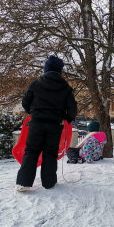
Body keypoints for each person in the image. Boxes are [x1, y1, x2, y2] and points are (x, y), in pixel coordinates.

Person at [16, 56, 77, 191]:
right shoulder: (66, 88)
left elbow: (25, 102)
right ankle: (49, 183)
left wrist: (33, 112)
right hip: (55, 125)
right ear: (60, 71)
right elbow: (73, 109)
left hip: (36, 123)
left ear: (46, 69)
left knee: (31, 151)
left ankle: (23, 183)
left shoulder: (35, 84)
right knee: (50, 153)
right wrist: (66, 118)